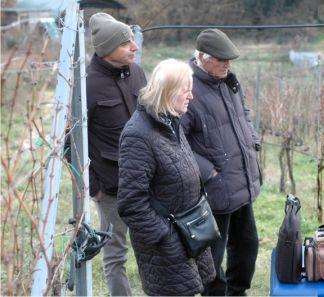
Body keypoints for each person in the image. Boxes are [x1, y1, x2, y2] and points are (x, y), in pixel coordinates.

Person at [117, 59, 214, 296]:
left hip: (189, 233)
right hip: (168, 246)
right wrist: (165, 237)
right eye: (186, 90)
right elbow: (131, 204)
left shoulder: (170, 121)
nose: (191, 96)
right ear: (168, 92)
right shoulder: (138, 136)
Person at [180, 29, 262, 296]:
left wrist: (252, 140)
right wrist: (209, 172)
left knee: (247, 244)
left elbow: (243, 115)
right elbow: (176, 141)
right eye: (222, 59)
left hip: (240, 178)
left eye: (230, 60)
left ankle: (237, 292)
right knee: (212, 256)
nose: (228, 64)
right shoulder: (186, 87)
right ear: (203, 57)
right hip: (213, 188)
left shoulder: (228, 80)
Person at [85, 12, 146, 296]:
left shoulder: (136, 72)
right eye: (126, 43)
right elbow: (70, 142)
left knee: (153, 246)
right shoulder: (87, 84)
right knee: (116, 255)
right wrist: (94, 188)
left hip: (146, 181)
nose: (134, 47)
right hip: (111, 187)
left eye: (133, 41)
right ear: (108, 49)